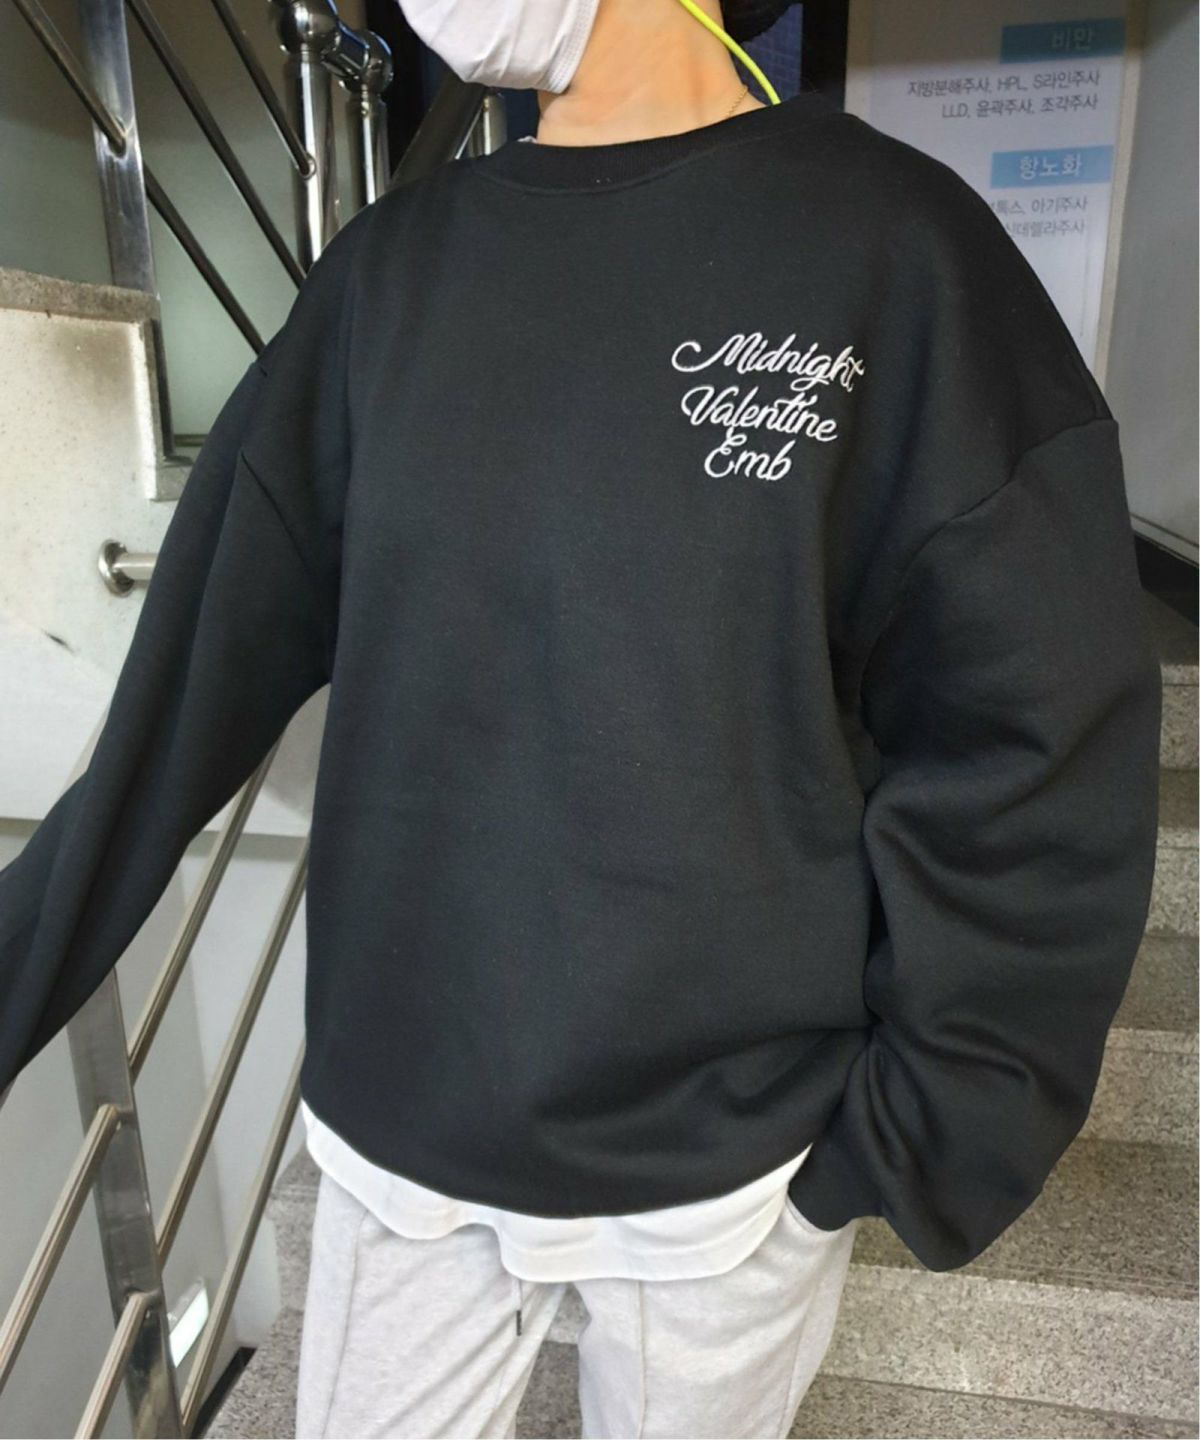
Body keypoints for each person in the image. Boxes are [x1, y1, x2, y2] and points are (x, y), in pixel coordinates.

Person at [0, 1, 1162, 1436]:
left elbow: (1035, 727)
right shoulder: (390, 279)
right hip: (405, 1133)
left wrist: (926, 1127)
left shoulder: (897, 253)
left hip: (732, 1167)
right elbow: (180, 698)